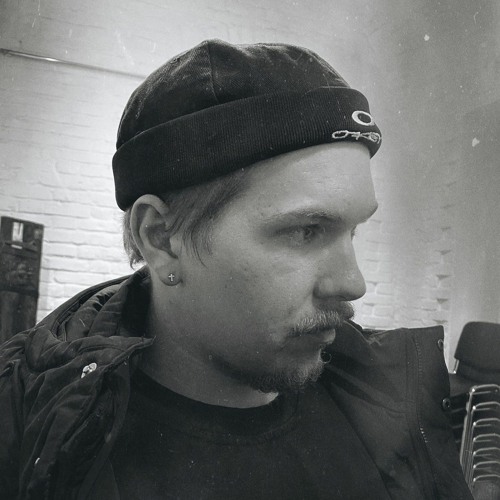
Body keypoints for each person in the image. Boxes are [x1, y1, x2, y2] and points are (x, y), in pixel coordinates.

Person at [0, 39, 472, 500]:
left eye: (353, 231)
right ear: (161, 238)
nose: (353, 284)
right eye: (306, 231)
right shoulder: (26, 430)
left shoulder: (390, 407)